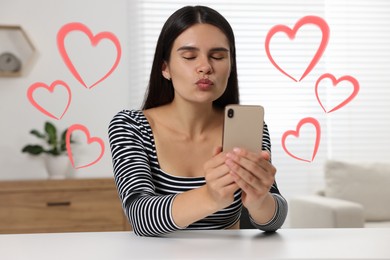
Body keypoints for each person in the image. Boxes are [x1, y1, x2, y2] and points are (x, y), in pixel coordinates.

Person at [108, 5, 288, 237]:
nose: (205, 67)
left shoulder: (249, 128)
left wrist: (259, 200)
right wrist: (210, 197)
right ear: (165, 68)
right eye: (189, 56)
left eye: (218, 56)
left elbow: (274, 219)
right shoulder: (131, 126)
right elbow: (139, 215)